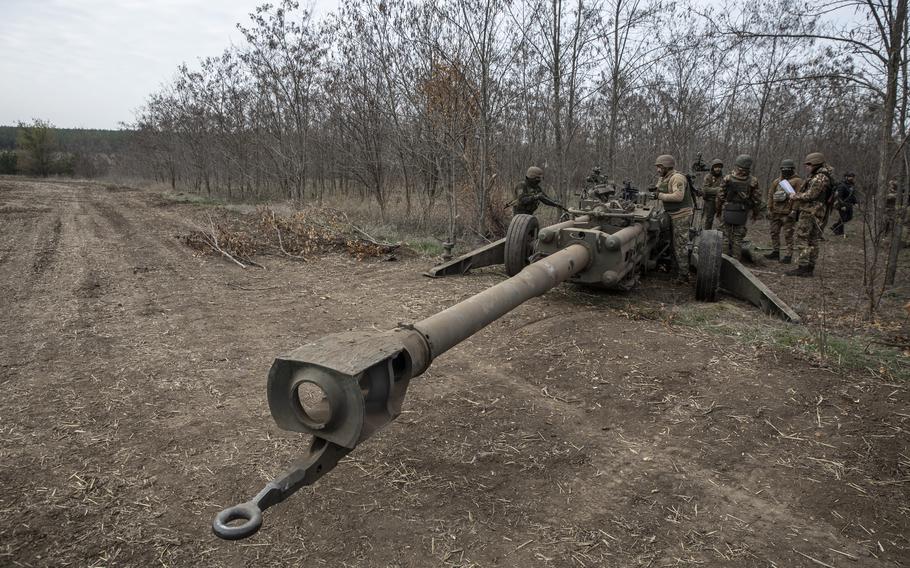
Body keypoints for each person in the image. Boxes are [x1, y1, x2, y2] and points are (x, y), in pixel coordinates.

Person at [785, 152, 832, 277]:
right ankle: (809, 267)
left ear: (816, 164)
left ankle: (803, 267)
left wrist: (795, 196)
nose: (807, 167)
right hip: (816, 212)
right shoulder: (822, 176)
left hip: (810, 211)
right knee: (812, 239)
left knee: (802, 237)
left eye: (809, 164)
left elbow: (811, 195)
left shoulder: (819, 177)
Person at [653, 154, 693, 283]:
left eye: (660, 167)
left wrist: (659, 196)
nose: (658, 170)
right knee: (669, 243)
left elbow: (678, 197)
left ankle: (683, 275)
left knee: (680, 245)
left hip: (681, 215)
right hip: (670, 213)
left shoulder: (677, 178)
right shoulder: (664, 177)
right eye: (657, 167)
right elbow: (659, 190)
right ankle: (674, 269)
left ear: (666, 166)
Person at [716, 154, 762, 260]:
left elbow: (720, 197)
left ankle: (723, 260)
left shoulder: (727, 178)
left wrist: (718, 210)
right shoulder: (753, 180)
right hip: (742, 211)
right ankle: (736, 261)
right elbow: (757, 200)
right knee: (738, 238)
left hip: (727, 210)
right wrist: (755, 213)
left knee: (725, 236)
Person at [764, 159, 802, 263]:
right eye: (783, 169)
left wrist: (794, 210)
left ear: (792, 169)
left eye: (788, 169)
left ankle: (788, 255)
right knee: (774, 232)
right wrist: (769, 208)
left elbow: (798, 197)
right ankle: (775, 252)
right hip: (776, 212)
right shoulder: (777, 181)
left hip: (788, 213)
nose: (785, 171)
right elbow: (770, 195)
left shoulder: (797, 181)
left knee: (788, 234)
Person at [701, 159, 724, 230]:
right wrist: (718, 190)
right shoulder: (708, 177)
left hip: (721, 201)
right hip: (710, 201)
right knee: (709, 219)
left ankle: (722, 235)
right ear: (713, 167)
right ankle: (707, 235)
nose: (718, 169)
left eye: (719, 167)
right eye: (716, 167)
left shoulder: (724, 177)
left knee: (723, 219)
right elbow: (705, 189)